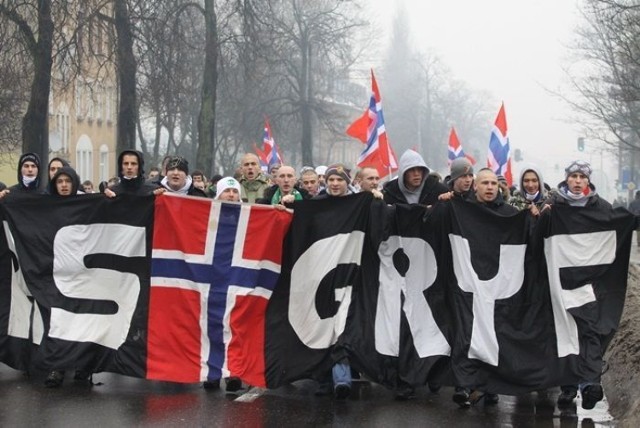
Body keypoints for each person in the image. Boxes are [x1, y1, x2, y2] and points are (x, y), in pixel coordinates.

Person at [543, 160, 609, 410]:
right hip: (557, 282)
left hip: (588, 283)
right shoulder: (554, 206)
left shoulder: (600, 207)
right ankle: (568, 386)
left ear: (588, 180)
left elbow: (617, 226)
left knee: (588, 333)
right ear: (567, 179)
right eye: (574, 176)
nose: (578, 181)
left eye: (583, 176)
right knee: (563, 333)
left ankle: (590, 383)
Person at [383, 149, 448, 206]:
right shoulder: (389, 195)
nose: (416, 174)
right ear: (403, 172)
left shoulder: (439, 191)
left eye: (419, 169)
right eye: (411, 170)